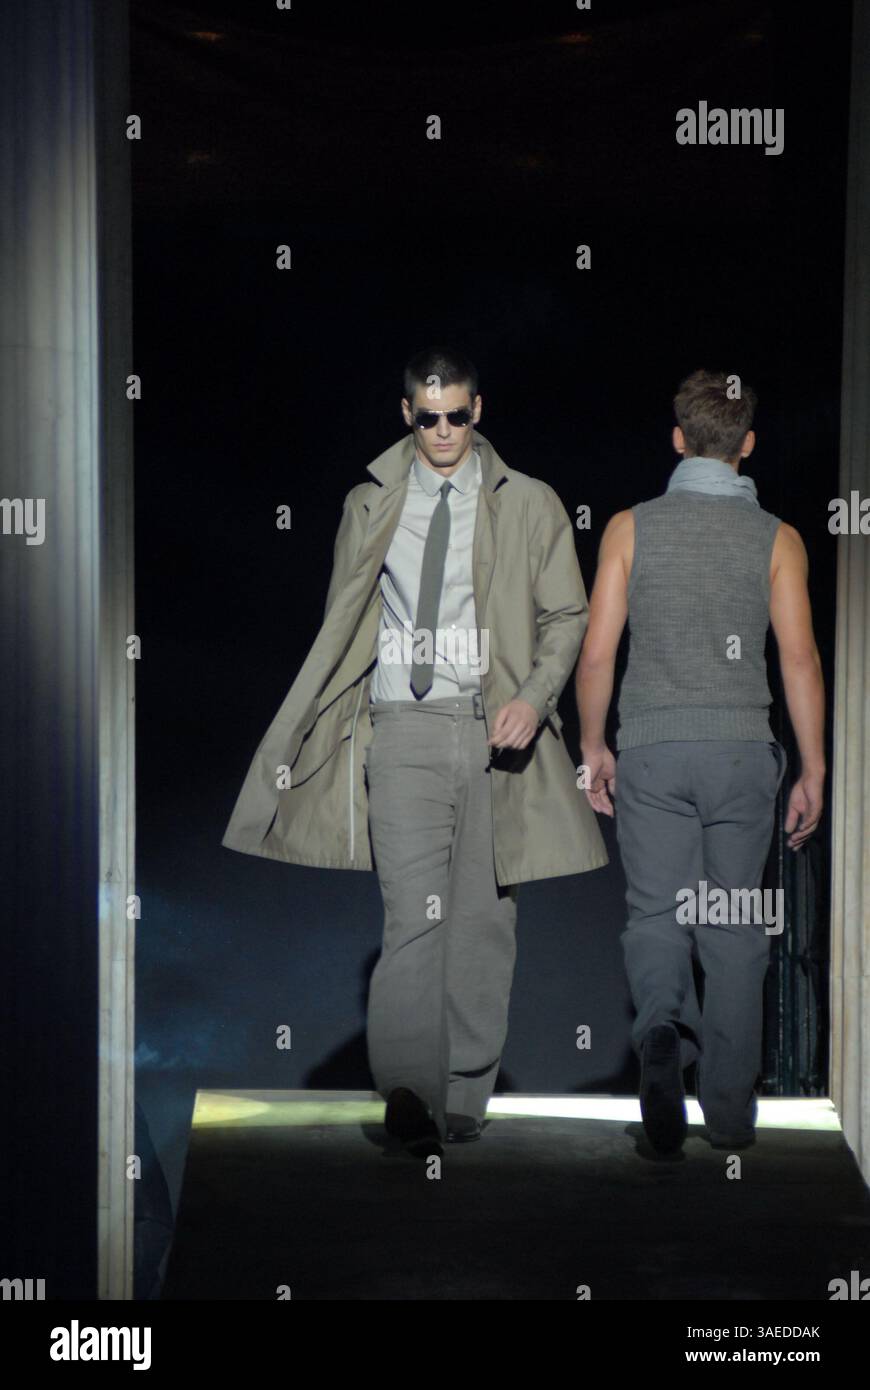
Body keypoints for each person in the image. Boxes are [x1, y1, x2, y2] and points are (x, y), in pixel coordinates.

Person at [222, 346, 607, 1148]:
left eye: (457, 416)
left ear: (478, 410)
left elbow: (568, 615)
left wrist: (533, 700)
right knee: (410, 916)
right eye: (428, 417)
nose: (443, 430)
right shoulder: (369, 502)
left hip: (493, 735)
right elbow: (345, 620)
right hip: (400, 729)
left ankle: (462, 1092)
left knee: (484, 921)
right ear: (407, 413)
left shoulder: (530, 502)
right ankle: (406, 1087)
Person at [576, 369, 825, 1154]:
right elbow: (799, 660)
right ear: (748, 444)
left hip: (652, 749)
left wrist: (592, 746)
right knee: (734, 926)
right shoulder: (778, 539)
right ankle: (728, 1113)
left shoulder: (629, 528)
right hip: (741, 755)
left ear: (678, 439)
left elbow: (597, 653)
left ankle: (660, 1030)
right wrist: (814, 768)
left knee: (657, 914)